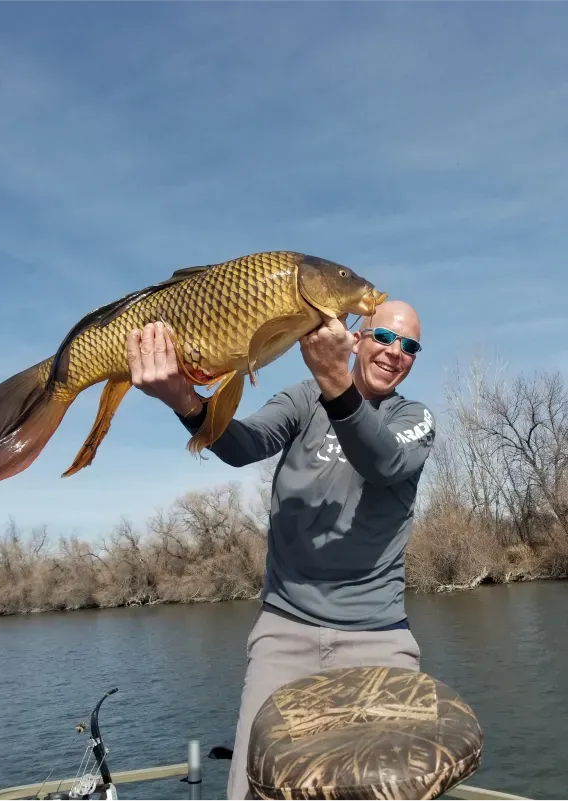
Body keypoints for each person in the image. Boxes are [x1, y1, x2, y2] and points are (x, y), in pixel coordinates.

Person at [126, 299, 435, 801]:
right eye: (384, 337)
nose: (395, 352)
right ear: (356, 338)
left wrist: (336, 383)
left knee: (393, 786)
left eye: (410, 346)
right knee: (252, 786)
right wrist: (185, 400)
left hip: (379, 637)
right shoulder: (301, 400)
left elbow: (385, 462)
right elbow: (241, 445)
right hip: (285, 630)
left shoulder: (415, 418)